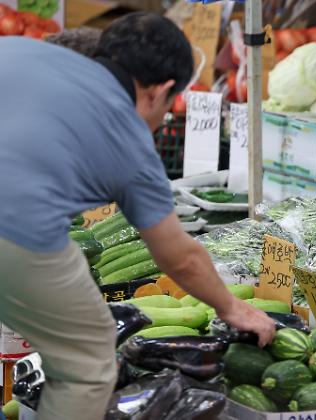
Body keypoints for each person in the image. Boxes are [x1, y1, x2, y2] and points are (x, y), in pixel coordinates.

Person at [0, 12, 275, 419]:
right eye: (168, 106)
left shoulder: (19, 51)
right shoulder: (128, 138)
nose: (163, 118)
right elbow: (178, 256)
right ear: (159, 91)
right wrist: (232, 308)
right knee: (90, 358)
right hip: (16, 231)